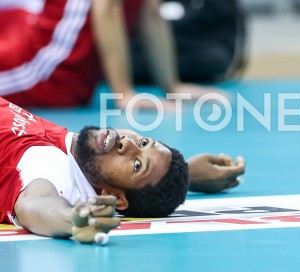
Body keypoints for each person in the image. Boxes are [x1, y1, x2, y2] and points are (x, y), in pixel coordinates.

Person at [0, 96, 246, 243]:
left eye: (137, 165)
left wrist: (73, 220)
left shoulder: (49, 167)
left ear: (116, 197)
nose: (127, 143)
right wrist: (188, 175)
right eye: (144, 142)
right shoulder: (77, 155)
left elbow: (35, 205)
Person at [0, 0, 215, 109]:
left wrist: (172, 86)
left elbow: (150, 11)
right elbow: (107, 4)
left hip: (78, 74)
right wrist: (124, 94)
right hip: (46, 64)